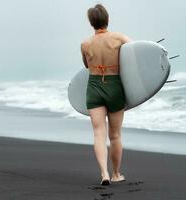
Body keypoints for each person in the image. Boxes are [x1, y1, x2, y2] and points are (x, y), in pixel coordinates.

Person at [80, 4, 131, 185]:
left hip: (94, 87)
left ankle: (104, 174)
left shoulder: (85, 44)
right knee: (115, 135)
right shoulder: (118, 38)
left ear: (91, 22)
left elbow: (87, 66)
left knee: (98, 134)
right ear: (107, 19)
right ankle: (116, 174)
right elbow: (135, 54)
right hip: (114, 85)